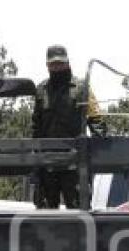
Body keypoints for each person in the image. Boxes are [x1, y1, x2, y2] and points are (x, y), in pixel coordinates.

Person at [31, 44, 107, 209]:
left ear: (67, 63)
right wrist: (35, 158)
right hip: (47, 161)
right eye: (53, 64)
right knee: (44, 215)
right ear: (47, 65)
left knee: (78, 211)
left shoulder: (82, 87)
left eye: (60, 63)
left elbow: (96, 118)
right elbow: (36, 125)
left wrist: (98, 144)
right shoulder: (41, 90)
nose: (57, 67)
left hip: (75, 162)